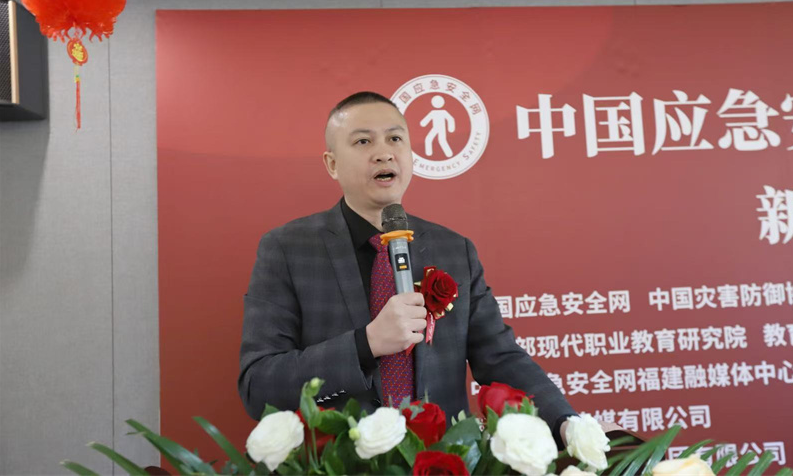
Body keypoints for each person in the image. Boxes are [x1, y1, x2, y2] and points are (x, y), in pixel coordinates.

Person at [239, 91, 579, 447]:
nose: (384, 152)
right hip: (338, 461)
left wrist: (565, 423)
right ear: (332, 164)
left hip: (441, 462)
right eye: (363, 141)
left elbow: (501, 359)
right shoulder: (287, 249)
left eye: (395, 139)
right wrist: (366, 344)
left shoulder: (454, 250)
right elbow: (258, 386)